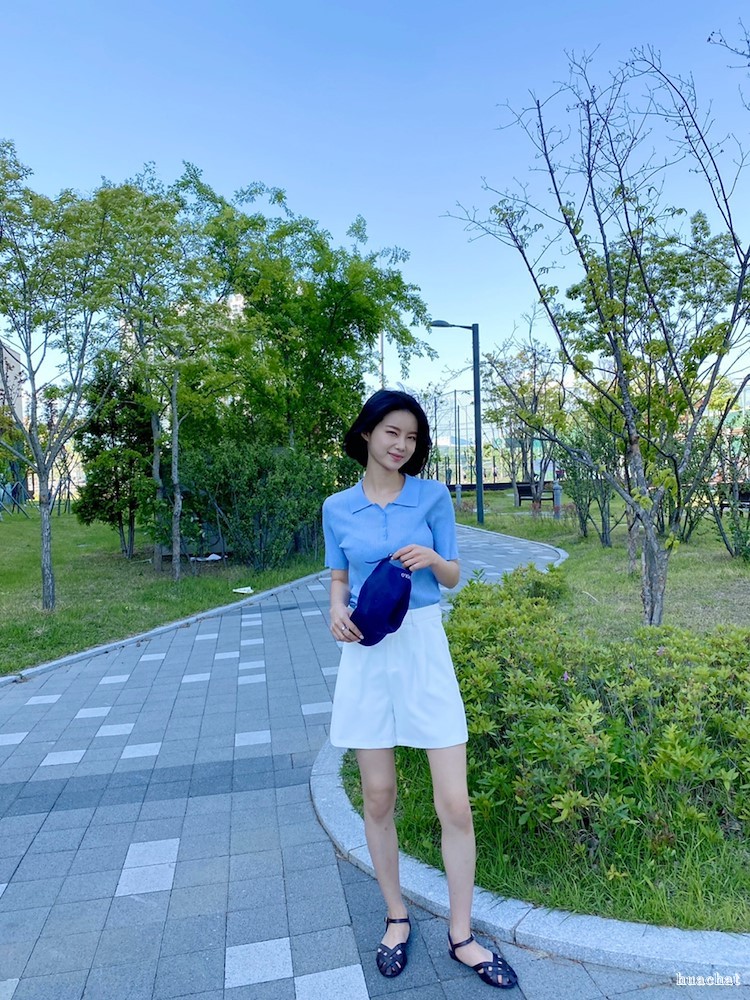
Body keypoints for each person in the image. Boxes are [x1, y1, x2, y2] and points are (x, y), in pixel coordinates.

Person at [322, 389, 518, 990]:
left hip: (424, 647)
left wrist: (433, 556)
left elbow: (453, 575)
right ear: (366, 433)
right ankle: (396, 916)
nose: (401, 445)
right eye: (391, 432)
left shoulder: (432, 497)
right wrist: (335, 608)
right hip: (367, 651)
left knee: (454, 803)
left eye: (411, 437)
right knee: (378, 796)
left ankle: (461, 935)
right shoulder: (337, 507)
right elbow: (339, 575)